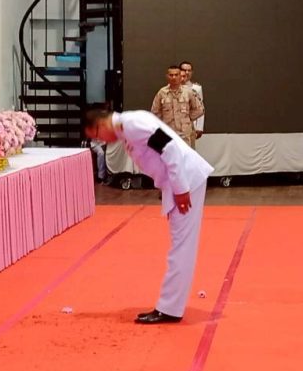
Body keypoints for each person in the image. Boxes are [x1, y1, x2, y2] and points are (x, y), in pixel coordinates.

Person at [84, 107, 213, 324]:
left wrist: (181, 189)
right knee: (181, 246)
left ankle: (170, 308)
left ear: (102, 123)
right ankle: (171, 306)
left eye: (97, 135)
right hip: (179, 182)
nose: (101, 141)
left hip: (186, 180)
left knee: (181, 247)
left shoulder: (133, 124)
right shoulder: (127, 129)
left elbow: (169, 148)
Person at [152, 65, 204, 147]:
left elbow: (199, 109)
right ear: (167, 76)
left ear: (180, 76)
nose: (174, 77)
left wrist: (187, 118)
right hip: (167, 132)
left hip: (184, 133)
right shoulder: (162, 93)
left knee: (185, 154)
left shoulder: (188, 92)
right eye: (171, 75)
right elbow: (155, 111)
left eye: (176, 75)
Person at [179, 61, 204, 139]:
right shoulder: (173, 87)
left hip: (190, 124)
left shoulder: (196, 88)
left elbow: (200, 108)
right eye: (184, 70)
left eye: (189, 70)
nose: (187, 72)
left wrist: (199, 127)